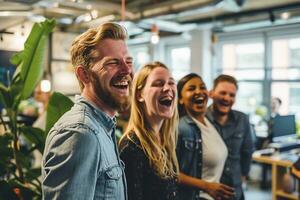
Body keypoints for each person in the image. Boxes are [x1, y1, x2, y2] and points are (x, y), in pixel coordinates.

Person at [42, 22, 133, 199]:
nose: (127, 70)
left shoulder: (102, 126)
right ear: (84, 75)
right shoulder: (80, 133)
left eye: (128, 61)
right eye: (113, 63)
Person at [119, 62, 179, 200]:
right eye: (158, 83)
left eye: (171, 83)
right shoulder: (132, 147)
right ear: (140, 94)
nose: (167, 88)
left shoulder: (165, 140)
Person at [176, 73, 234, 200]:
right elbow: (171, 173)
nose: (199, 91)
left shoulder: (210, 123)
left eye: (202, 87)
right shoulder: (181, 128)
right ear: (180, 99)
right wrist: (206, 186)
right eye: (191, 89)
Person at [206, 74, 254, 200]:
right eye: (222, 93)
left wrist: (243, 176)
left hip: (235, 190)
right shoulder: (201, 120)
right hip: (209, 191)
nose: (227, 98)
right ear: (211, 93)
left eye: (232, 95)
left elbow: (247, 151)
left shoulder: (243, 119)